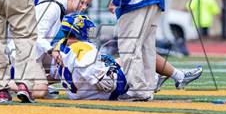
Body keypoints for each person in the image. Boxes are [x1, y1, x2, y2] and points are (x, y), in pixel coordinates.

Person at [0, 0, 95, 100]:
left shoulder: (60, 8)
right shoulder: (54, 7)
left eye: (87, 4)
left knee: (67, 62)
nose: (84, 7)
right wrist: (51, 50)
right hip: (25, 51)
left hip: (34, 50)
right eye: (82, 2)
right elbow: (36, 34)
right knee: (41, 91)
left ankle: (37, 83)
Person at [51, 13, 202, 100]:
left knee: (124, 59)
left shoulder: (62, 48)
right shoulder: (83, 48)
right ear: (78, 30)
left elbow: (54, 75)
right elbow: (102, 81)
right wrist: (111, 73)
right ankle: (170, 78)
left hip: (80, 94)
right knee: (143, 54)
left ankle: (159, 78)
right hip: (105, 91)